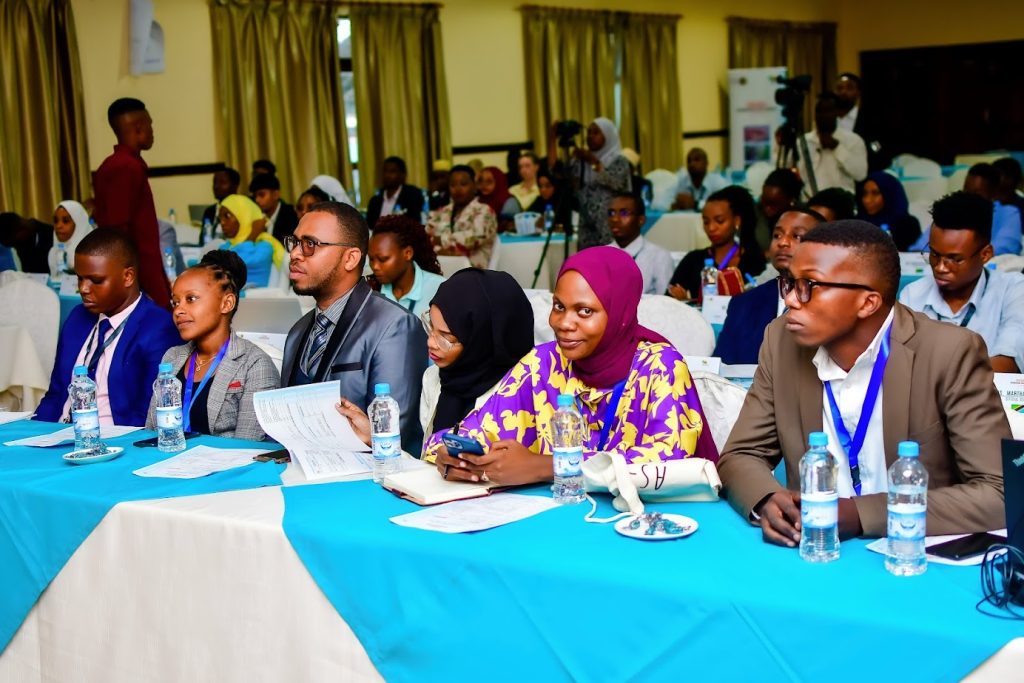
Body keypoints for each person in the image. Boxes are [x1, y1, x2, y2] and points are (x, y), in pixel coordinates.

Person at [717, 220, 1008, 543]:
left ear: (868, 303)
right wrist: (768, 498)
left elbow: (1000, 492)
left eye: (809, 285)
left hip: (910, 550)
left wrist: (861, 514)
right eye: (789, 282)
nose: (791, 300)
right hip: (814, 547)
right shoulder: (781, 340)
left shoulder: (948, 353)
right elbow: (741, 454)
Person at [424, 246, 718, 485]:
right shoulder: (542, 364)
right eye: (559, 307)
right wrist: (451, 455)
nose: (564, 323)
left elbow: (668, 464)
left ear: (620, 313)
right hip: (556, 519)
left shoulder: (660, 367)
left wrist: (545, 466)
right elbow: (471, 432)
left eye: (585, 311)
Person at [282, 202, 427, 453]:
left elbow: (395, 433)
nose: (295, 254)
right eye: (294, 243)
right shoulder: (298, 332)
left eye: (310, 244)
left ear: (350, 258)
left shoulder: (394, 325)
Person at [336, 269, 536, 446]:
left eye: (446, 337)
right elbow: (430, 461)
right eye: (431, 326)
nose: (431, 342)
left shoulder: (521, 390)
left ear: (482, 340)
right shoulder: (434, 378)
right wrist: (376, 439)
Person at [35, 229, 180, 426]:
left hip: (114, 438)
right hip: (59, 432)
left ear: (128, 276)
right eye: (80, 278)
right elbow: (55, 394)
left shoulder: (157, 327)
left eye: (96, 280)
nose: (83, 288)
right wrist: (34, 433)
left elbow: (148, 414)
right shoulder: (78, 317)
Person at [145, 250, 280, 440]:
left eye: (191, 299)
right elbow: (152, 432)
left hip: (229, 460)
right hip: (169, 456)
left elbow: (248, 448)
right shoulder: (172, 357)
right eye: (175, 302)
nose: (178, 310)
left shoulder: (254, 364)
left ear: (226, 303)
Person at [899, 192, 1024, 373]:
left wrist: (936, 374)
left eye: (955, 259)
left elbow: (1008, 364)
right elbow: (900, 364)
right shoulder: (912, 295)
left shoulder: (1013, 291)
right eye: (934, 254)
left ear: (985, 254)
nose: (940, 267)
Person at [713, 208, 825, 364]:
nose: (782, 242)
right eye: (777, 235)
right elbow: (720, 369)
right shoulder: (743, 304)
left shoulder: (831, 302)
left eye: (796, 236)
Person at [92, 98, 169, 308]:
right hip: (138, 277)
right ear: (139, 127)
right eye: (150, 124)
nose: (152, 131)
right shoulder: (125, 167)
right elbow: (119, 233)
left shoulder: (112, 165)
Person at [669, 186, 767, 301]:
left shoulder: (753, 260)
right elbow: (668, 298)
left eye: (719, 221)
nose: (711, 228)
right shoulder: (693, 260)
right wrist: (683, 301)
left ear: (736, 221)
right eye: (706, 222)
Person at [548, 117, 631, 250]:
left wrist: (593, 162)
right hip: (587, 227)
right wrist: (552, 138)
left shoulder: (619, 161)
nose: (590, 136)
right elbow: (556, 171)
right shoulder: (581, 161)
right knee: (587, 262)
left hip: (612, 227)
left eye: (596, 132)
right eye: (588, 132)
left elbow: (616, 183)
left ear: (608, 136)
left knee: (611, 261)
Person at [908, 163, 1022, 256]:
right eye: (966, 191)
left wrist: (963, 257)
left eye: (976, 194)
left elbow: (1006, 247)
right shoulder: (952, 210)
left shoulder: (1008, 213)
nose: (968, 197)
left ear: (993, 194)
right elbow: (920, 247)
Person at [368, 215, 446, 316]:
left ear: (408, 253)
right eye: (371, 259)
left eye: (383, 259)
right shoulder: (369, 291)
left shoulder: (439, 289)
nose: (375, 266)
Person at [796, 92, 868, 200]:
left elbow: (861, 174)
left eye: (828, 111)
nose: (823, 115)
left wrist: (837, 147)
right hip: (810, 202)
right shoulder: (803, 142)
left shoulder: (853, 140)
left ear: (837, 112)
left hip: (842, 203)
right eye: (819, 111)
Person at [426, 164, 497, 269]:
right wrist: (441, 250)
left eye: (463, 184)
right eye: (453, 185)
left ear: (475, 186)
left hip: (474, 272)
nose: (458, 189)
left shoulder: (484, 211)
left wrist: (441, 240)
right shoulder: (442, 212)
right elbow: (426, 237)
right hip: (442, 270)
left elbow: (473, 238)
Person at [607, 193, 673, 295]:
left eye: (624, 213)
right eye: (611, 213)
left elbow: (665, 301)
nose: (615, 219)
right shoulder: (600, 256)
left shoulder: (659, 256)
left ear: (641, 220)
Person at [218, 194, 284, 288]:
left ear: (244, 216)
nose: (222, 222)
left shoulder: (265, 245)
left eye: (227, 216)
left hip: (254, 296)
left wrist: (254, 233)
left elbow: (236, 263)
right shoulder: (227, 245)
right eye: (220, 218)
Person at [834, 72, 887, 172]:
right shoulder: (828, 119)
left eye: (849, 88)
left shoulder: (870, 120)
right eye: (839, 88)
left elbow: (878, 151)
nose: (843, 92)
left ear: (858, 92)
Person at [857, 171, 921, 251]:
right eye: (864, 193)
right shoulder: (856, 223)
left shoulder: (908, 225)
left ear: (889, 195)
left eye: (875, 193)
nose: (867, 200)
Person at [366, 156, 425, 229]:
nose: (387, 175)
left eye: (392, 171)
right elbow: (369, 226)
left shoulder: (412, 195)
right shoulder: (375, 200)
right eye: (385, 171)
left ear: (403, 175)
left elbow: (415, 223)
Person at [754, 168, 804, 252]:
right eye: (764, 202)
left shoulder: (803, 217)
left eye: (773, 204)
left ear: (790, 200)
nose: (767, 209)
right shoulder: (754, 213)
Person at [248, 173, 299, 242]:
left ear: (276, 194)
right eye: (255, 196)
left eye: (261, 195)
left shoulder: (292, 215)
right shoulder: (256, 217)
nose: (257, 200)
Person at [49, 201, 94, 275]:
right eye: (56, 221)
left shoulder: (93, 253)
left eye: (65, 221)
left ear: (79, 223)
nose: (58, 226)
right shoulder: (53, 252)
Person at [201, 168, 241, 238]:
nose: (216, 186)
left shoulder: (242, 209)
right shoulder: (209, 211)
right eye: (215, 182)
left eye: (222, 182)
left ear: (235, 186)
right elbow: (203, 238)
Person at [477, 166, 519, 232]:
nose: (484, 185)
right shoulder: (477, 200)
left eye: (489, 181)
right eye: (481, 181)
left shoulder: (509, 202)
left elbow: (512, 228)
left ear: (499, 182)